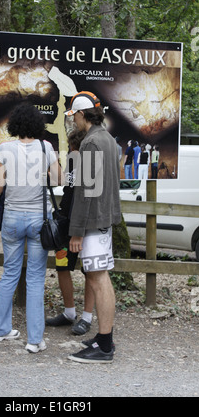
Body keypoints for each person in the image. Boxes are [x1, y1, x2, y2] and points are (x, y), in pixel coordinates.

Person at [0, 103, 62, 353]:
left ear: (14, 125)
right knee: (34, 279)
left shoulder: (5, 149)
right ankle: (34, 340)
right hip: (38, 221)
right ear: (37, 125)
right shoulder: (46, 147)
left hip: (11, 218)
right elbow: (58, 179)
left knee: (9, 273)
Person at [64, 91, 122, 364]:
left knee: (98, 280)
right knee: (101, 278)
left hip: (92, 222)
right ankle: (103, 338)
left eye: (73, 115)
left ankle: (105, 345)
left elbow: (86, 192)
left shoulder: (90, 144)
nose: (73, 121)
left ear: (81, 114)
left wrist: (76, 231)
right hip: (104, 219)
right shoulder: (108, 139)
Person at [45, 129, 95, 335]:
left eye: (72, 148)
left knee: (91, 271)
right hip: (66, 221)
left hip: (86, 224)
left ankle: (87, 317)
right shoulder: (73, 161)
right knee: (62, 266)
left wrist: (79, 230)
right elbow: (67, 186)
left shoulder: (91, 164)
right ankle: (69, 313)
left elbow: (87, 198)